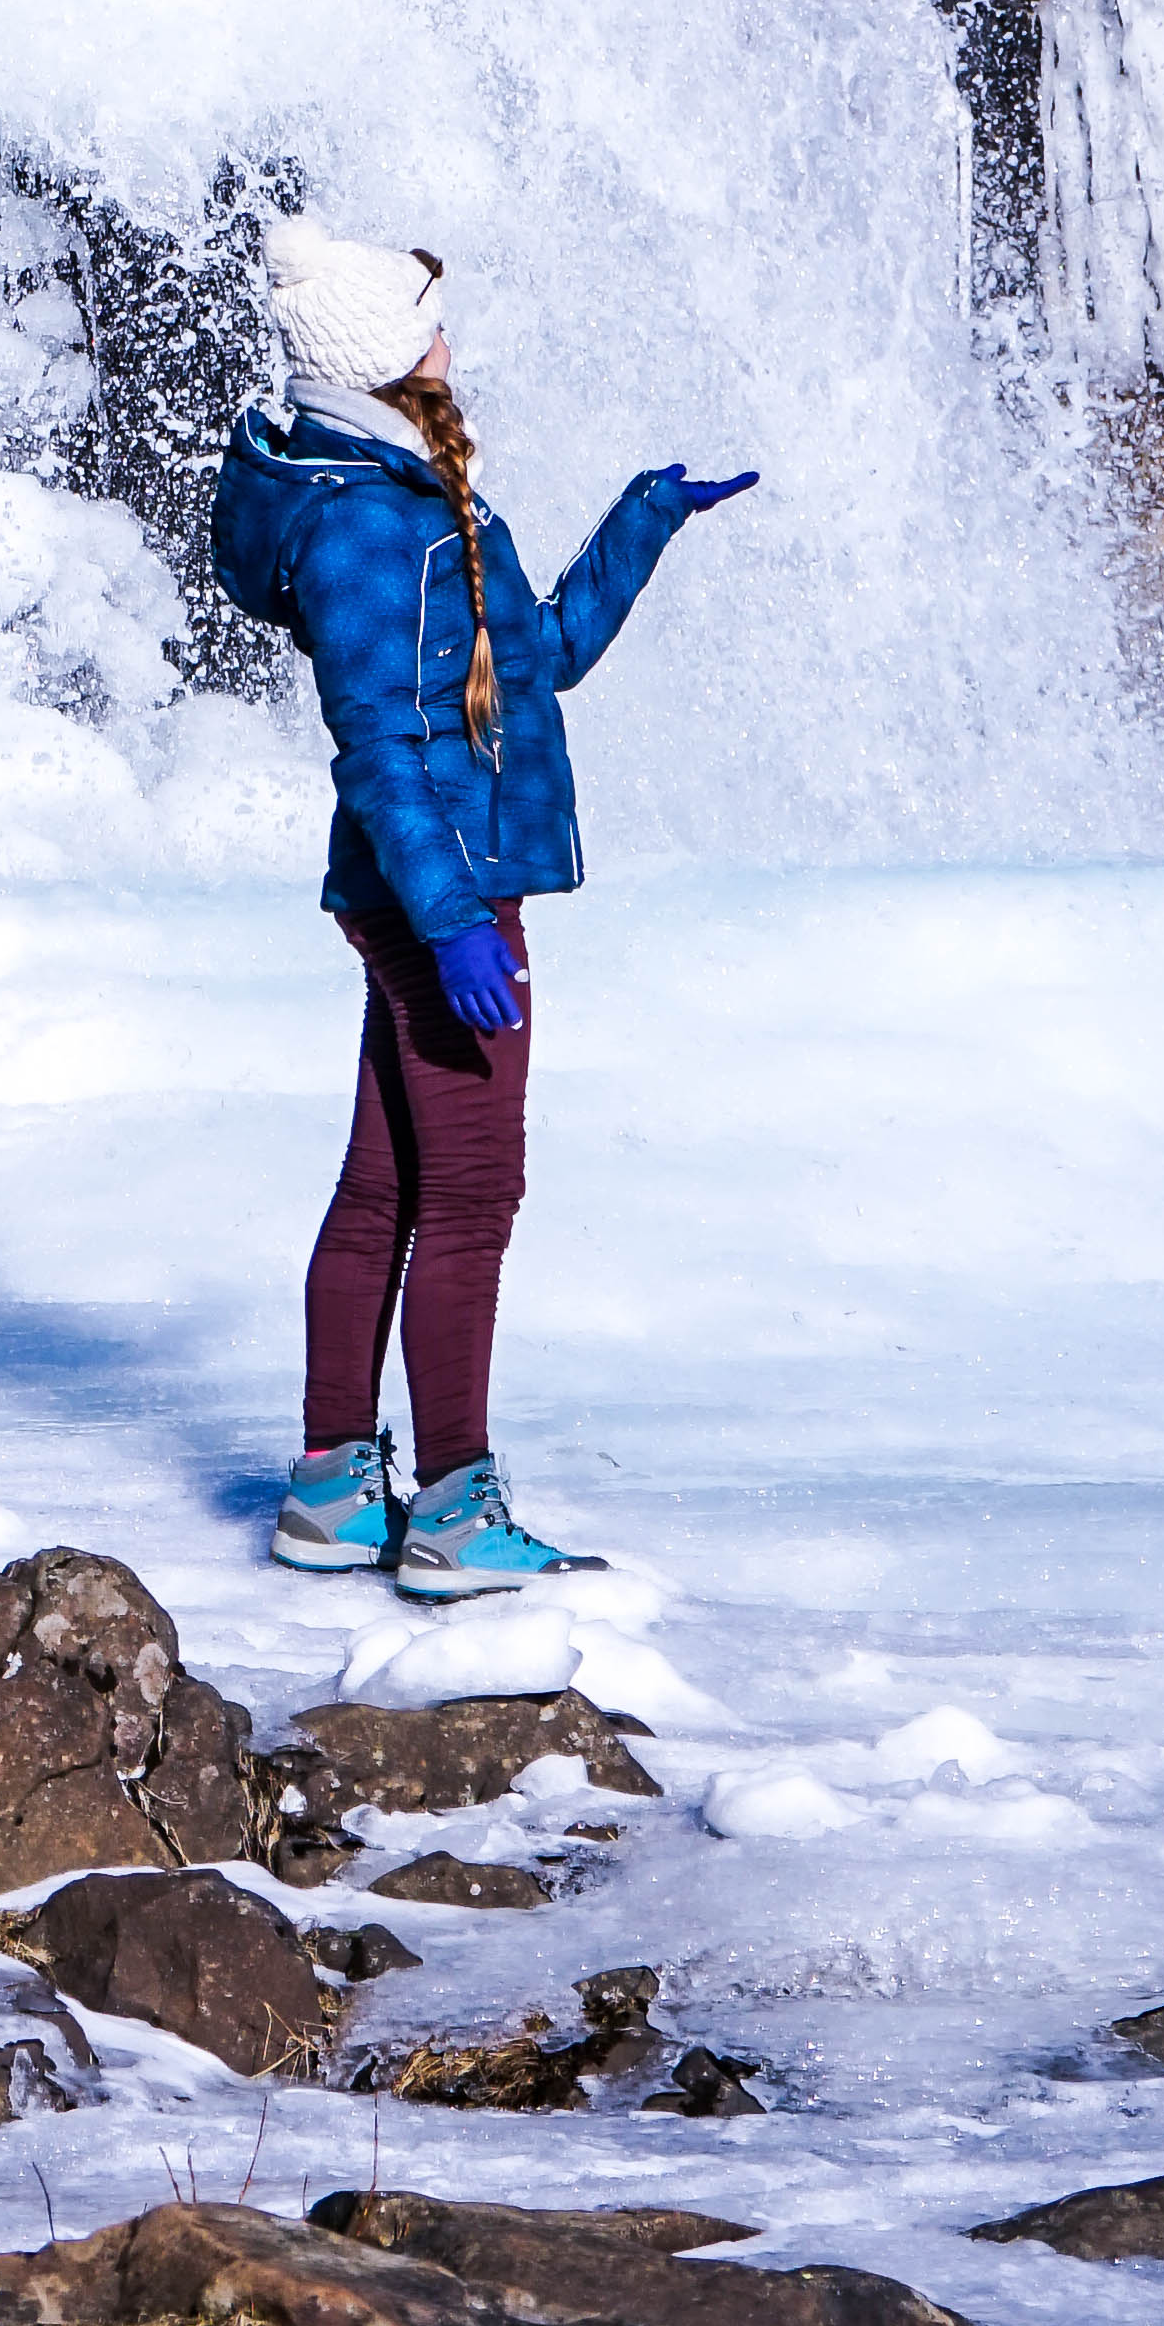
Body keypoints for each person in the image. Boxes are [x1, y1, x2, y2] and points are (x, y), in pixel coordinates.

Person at [210, 220, 753, 1597]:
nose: (452, 345)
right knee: (471, 1197)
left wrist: (645, 521)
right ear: (385, 362)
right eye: (431, 328)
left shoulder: (419, 496)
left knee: (389, 1186)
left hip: (441, 879)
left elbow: (541, 657)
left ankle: (335, 1490)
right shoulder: (360, 522)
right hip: (438, 887)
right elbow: (377, 749)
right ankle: (453, 1510)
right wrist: (453, 922)